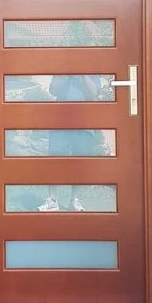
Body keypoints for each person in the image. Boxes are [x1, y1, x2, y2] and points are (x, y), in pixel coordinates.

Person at [38, 74, 103, 212]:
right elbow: (53, 89)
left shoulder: (92, 68)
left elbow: (94, 92)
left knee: (79, 161)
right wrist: (67, 74)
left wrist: (83, 74)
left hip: (84, 122)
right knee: (55, 159)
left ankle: (74, 201)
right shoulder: (63, 67)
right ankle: (52, 200)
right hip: (60, 120)